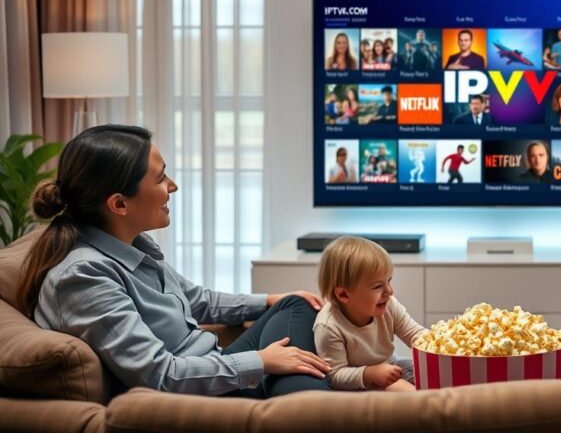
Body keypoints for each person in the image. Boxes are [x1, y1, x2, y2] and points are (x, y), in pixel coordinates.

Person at [18, 125, 330, 397]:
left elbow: (194, 299)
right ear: (119, 203)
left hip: (215, 363)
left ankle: (304, 397)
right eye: (160, 178)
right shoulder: (84, 277)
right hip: (192, 393)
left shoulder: (131, 245)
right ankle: (312, 406)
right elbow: (160, 376)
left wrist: (268, 300)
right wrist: (261, 362)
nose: (173, 186)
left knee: (295, 304)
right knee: (296, 373)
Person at [313, 237, 427, 391]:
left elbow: (414, 334)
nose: (389, 291)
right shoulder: (328, 326)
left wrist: (441, 344)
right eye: (378, 286)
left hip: (391, 366)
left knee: (430, 374)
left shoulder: (389, 304)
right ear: (343, 295)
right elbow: (335, 375)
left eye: (389, 281)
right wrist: (369, 373)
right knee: (411, 394)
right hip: (361, 383)